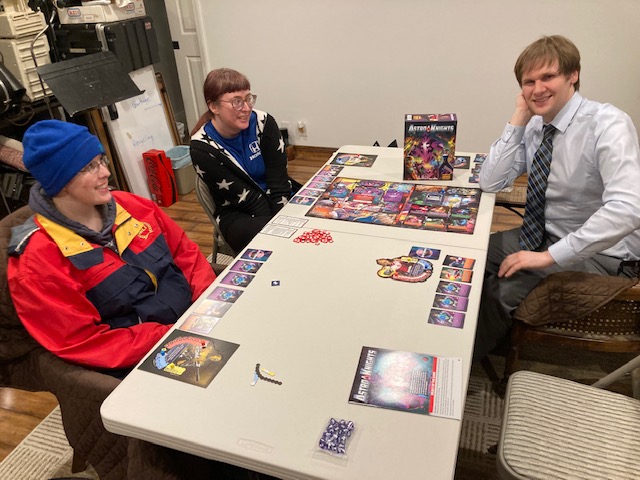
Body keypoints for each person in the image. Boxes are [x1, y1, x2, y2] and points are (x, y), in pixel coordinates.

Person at [7, 120, 216, 377]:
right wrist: (173, 336)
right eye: (89, 167)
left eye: (101, 160)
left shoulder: (131, 206)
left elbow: (186, 253)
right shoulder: (37, 261)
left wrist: (209, 305)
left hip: (197, 320)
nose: (105, 172)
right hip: (145, 359)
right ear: (59, 181)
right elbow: (84, 341)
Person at [475, 35, 640, 360]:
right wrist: (519, 117)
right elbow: (491, 181)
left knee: (501, 289)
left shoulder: (608, 123)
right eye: (529, 82)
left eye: (547, 77)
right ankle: (474, 331)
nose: (537, 89)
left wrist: (547, 257)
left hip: (604, 253)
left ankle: (464, 362)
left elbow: (628, 209)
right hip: (544, 234)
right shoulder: (536, 126)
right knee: (469, 254)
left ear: (572, 75)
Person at [190, 68, 298, 252]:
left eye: (248, 98)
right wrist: (281, 227)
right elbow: (251, 201)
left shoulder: (264, 122)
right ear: (214, 107)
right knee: (277, 240)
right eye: (237, 102)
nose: (247, 108)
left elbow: (279, 182)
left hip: (278, 198)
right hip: (239, 213)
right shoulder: (201, 148)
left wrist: (284, 217)